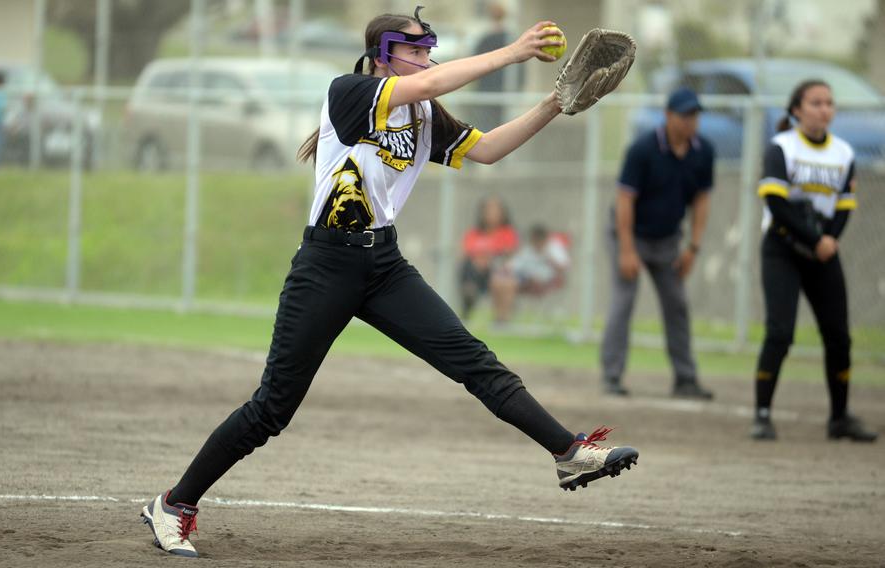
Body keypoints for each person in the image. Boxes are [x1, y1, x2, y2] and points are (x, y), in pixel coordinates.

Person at [139, 8, 639, 557]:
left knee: (474, 361)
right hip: (325, 265)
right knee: (271, 409)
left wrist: (553, 104)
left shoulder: (424, 113)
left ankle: (568, 452)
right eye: (416, 49)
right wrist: (513, 52)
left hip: (384, 266)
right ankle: (175, 504)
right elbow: (426, 83)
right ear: (384, 54)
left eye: (430, 49)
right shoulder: (349, 91)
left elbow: (489, 150)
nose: (427, 58)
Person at [750, 80, 877, 443]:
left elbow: (843, 206)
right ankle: (761, 414)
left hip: (822, 252)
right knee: (780, 332)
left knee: (839, 336)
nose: (824, 109)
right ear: (797, 110)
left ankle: (839, 417)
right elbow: (776, 204)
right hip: (783, 248)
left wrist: (830, 239)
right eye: (816, 102)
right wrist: (816, 239)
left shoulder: (843, 153)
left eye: (829, 103)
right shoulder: (781, 148)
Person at [600, 87, 714, 399]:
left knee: (677, 304)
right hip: (630, 234)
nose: (691, 121)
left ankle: (686, 379)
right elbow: (625, 199)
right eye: (685, 114)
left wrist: (693, 247)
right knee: (623, 302)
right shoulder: (644, 148)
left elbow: (702, 200)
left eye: (695, 115)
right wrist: (626, 250)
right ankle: (612, 376)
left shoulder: (703, 151)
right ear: (668, 116)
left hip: (667, 241)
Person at [490, 223, 569, 323]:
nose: (536, 244)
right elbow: (513, 266)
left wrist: (548, 257)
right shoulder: (529, 250)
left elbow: (564, 268)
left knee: (509, 284)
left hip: (546, 282)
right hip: (525, 279)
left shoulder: (554, 248)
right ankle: (499, 317)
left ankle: (504, 319)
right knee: (498, 282)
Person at [459, 195, 519, 319]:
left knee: (502, 278)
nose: (492, 214)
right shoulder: (474, 233)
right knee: (469, 266)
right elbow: (466, 252)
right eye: (488, 210)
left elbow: (510, 253)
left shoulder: (507, 232)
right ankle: (469, 294)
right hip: (474, 272)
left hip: (498, 272)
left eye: (496, 210)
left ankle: (501, 319)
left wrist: (489, 258)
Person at [471, 2, 524, 131]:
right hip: (489, 94)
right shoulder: (508, 39)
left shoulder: (507, 39)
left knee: (493, 128)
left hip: (497, 94)